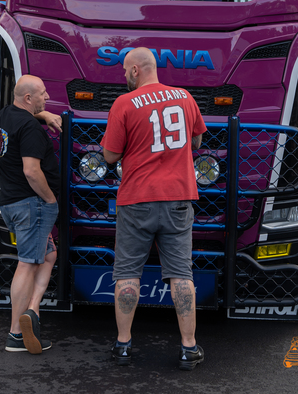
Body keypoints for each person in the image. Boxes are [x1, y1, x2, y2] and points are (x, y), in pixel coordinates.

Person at [101, 47, 207, 371]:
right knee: (181, 275)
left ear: (135, 71)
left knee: (127, 274)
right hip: (177, 197)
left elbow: (109, 156)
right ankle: (188, 348)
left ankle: (122, 345)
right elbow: (198, 141)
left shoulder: (124, 103)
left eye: (123, 71)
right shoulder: (185, 97)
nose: (123, 77)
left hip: (136, 200)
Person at [0, 75, 62, 354]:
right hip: (31, 204)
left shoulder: (6, 114)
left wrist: (42, 114)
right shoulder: (30, 128)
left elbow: (24, 113)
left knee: (48, 254)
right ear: (28, 99)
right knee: (28, 262)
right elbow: (32, 171)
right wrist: (50, 199)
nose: (47, 97)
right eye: (43, 94)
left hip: (11, 202)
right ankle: (16, 335)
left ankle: (32, 311)